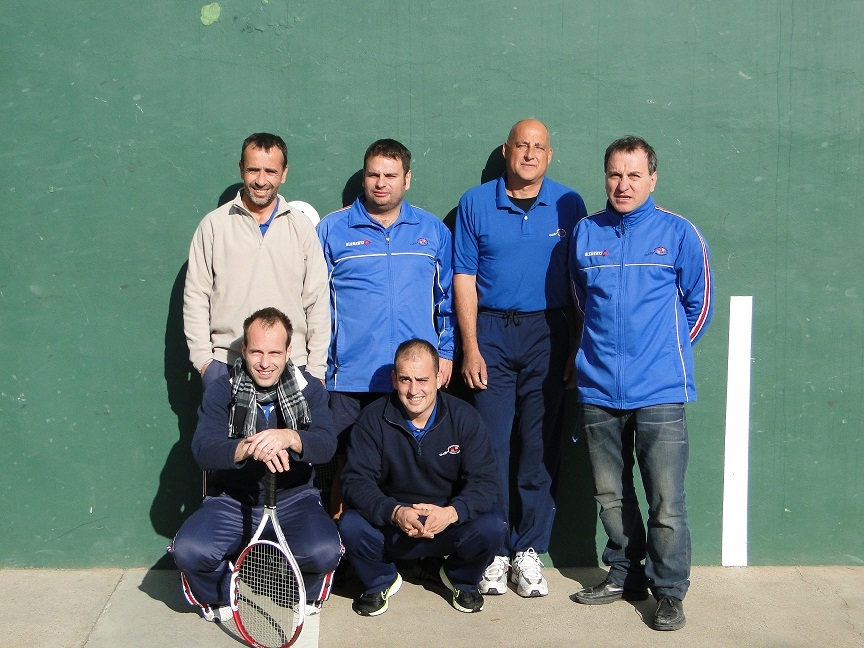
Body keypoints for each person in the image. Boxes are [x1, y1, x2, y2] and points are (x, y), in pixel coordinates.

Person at [569, 136, 714, 631]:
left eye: (634, 175)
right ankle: (624, 574)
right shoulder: (586, 233)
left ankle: (669, 590)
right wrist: (599, 358)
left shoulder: (678, 233)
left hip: (660, 391)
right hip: (597, 390)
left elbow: (699, 306)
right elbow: (581, 303)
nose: (623, 184)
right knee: (610, 496)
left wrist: (662, 355)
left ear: (653, 179)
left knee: (667, 502)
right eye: (614, 174)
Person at [453, 119, 587, 597]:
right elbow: (463, 277)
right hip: (489, 331)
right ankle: (493, 548)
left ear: (549, 155)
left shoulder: (570, 204)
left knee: (537, 444)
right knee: (489, 445)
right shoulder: (474, 203)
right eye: (521, 145)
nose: (529, 154)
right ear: (506, 150)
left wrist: (574, 345)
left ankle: (528, 549)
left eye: (538, 147)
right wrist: (470, 346)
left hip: (547, 333)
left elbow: (577, 282)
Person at [171, 307, 342, 622]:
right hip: (233, 502)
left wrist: (290, 437)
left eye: (275, 352)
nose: (265, 362)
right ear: (244, 351)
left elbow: (327, 445)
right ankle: (219, 589)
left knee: (324, 551)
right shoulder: (222, 390)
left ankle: (305, 586)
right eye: (257, 352)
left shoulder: (310, 389)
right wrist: (248, 448)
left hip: (295, 499)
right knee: (190, 551)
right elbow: (203, 450)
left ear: (289, 351)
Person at [317, 139, 454, 517]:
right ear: (364, 178)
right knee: (346, 470)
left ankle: (411, 552)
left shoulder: (433, 231)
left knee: (413, 469)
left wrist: (446, 352)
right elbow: (315, 306)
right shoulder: (331, 230)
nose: (381, 183)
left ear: (407, 179)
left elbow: (447, 301)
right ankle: (341, 560)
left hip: (413, 380)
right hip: (351, 379)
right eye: (373, 174)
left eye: (390, 175)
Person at [338, 339, 503, 616]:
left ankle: (460, 579)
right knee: (351, 525)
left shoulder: (465, 417)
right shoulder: (371, 419)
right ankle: (381, 580)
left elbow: (485, 483)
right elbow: (355, 482)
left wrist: (451, 513)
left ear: (439, 378)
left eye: (422, 379)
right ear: (394, 379)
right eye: (405, 379)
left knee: (493, 525)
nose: (414, 390)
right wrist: (396, 512)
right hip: (393, 527)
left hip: (446, 524)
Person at [184, 133, 330, 390]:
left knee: (292, 433)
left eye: (271, 171)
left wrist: (316, 369)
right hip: (226, 364)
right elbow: (196, 296)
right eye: (253, 170)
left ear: (284, 173)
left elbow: (317, 300)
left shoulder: (301, 227)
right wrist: (204, 363)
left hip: (292, 366)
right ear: (241, 169)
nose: (261, 180)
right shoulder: (214, 226)